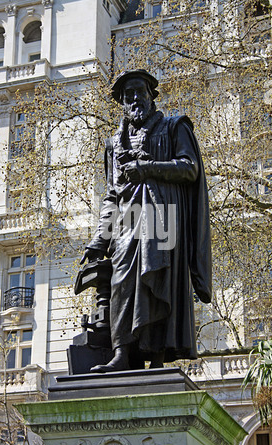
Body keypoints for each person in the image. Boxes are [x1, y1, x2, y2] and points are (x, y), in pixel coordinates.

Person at [80, 69, 212, 373]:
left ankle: (157, 359)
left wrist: (146, 167)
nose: (135, 98)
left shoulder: (173, 127)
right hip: (128, 221)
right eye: (128, 96)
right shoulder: (115, 143)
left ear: (152, 96)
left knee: (159, 280)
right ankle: (121, 354)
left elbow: (189, 168)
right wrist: (100, 240)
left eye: (140, 92)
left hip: (162, 215)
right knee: (122, 282)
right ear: (123, 104)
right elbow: (112, 195)